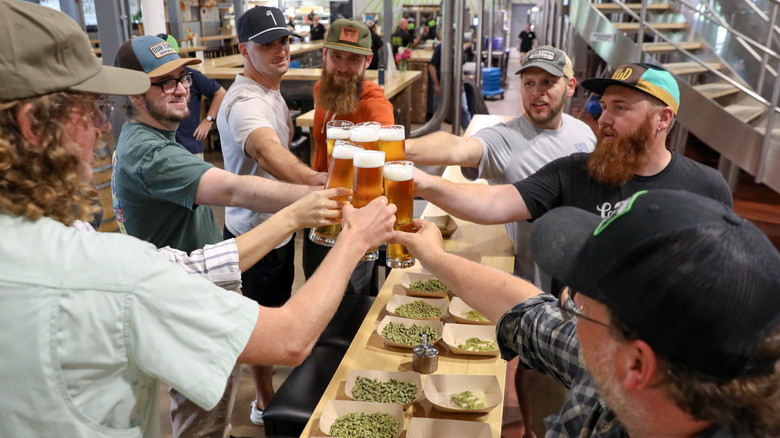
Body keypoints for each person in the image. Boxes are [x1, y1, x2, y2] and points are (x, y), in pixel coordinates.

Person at [0, 2, 398, 437]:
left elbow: (184, 268)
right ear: (33, 127)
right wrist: (351, 234)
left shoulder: (63, 241)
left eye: (181, 78)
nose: (100, 126)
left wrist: (292, 218)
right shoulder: (106, 261)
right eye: (87, 109)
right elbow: (289, 337)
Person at [395, 188, 780, 437]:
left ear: (637, 365)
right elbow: (524, 309)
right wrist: (434, 257)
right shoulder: (643, 373)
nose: (569, 317)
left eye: (577, 308)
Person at [110, 33, 320, 435]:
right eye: (165, 82)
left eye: (183, 77)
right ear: (135, 94)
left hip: (199, 288)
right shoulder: (151, 153)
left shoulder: (149, 136)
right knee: (201, 420)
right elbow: (234, 188)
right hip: (187, 304)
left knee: (213, 405)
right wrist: (312, 197)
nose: (182, 89)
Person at [408, 46, 596, 437]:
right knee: (535, 361)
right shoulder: (505, 137)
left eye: (548, 82)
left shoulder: (584, 135)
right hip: (533, 275)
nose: (537, 92)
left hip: (581, 271)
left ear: (570, 86)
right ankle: (529, 430)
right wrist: (397, 148)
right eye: (529, 83)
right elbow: (459, 147)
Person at [414, 62, 734, 233]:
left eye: (620, 108)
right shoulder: (577, 170)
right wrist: (421, 182)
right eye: (604, 106)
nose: (605, 118)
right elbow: (493, 202)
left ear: (662, 118)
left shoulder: (706, 187)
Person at [216, 5, 329, 426]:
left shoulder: (269, 87)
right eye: (268, 44)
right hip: (255, 232)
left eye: (284, 39)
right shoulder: (245, 102)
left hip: (278, 227)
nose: (281, 49)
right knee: (257, 322)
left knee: (276, 306)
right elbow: (266, 149)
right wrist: (314, 181)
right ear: (245, 50)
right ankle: (263, 403)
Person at [305, 18, 396, 295]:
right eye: (336, 56)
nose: (343, 67)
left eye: (354, 59)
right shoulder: (323, 89)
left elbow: (390, 152)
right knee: (313, 288)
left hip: (351, 226)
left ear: (367, 61)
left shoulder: (374, 104)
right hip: (318, 212)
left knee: (346, 301)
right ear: (324, 54)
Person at [156, 33, 226, 159]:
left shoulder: (192, 75)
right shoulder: (154, 82)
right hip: (165, 148)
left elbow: (220, 92)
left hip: (190, 146)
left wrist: (208, 120)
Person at [428, 38, 472, 131]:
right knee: (438, 112)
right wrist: (436, 85)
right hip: (442, 84)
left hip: (457, 84)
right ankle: (436, 134)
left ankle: (469, 132)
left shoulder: (458, 49)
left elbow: (461, 63)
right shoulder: (440, 48)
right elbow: (432, 66)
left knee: (463, 109)